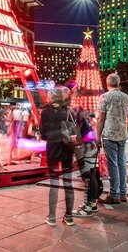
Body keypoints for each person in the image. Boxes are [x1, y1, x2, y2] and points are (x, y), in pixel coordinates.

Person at [40, 87, 75, 227]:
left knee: (54, 182)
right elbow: (73, 130)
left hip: (52, 149)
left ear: (51, 97)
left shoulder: (45, 111)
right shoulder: (68, 111)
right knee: (68, 183)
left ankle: (52, 217)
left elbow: (43, 134)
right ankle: (69, 216)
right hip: (66, 149)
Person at [97, 73, 128, 204]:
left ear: (107, 83)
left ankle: (114, 194)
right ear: (118, 83)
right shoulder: (125, 96)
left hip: (109, 134)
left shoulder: (105, 97)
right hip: (122, 134)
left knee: (112, 164)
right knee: (121, 163)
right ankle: (123, 193)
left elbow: (100, 118)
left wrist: (98, 136)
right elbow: (127, 116)